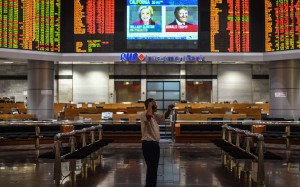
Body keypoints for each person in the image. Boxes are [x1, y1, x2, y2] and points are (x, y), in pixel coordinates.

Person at [141, 98, 174, 187]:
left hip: (155, 145)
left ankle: (152, 185)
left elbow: (164, 117)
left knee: (154, 168)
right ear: (150, 105)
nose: (157, 106)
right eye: (155, 104)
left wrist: (169, 110)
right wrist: (149, 105)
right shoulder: (145, 114)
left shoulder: (154, 116)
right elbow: (148, 114)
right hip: (148, 145)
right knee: (151, 168)